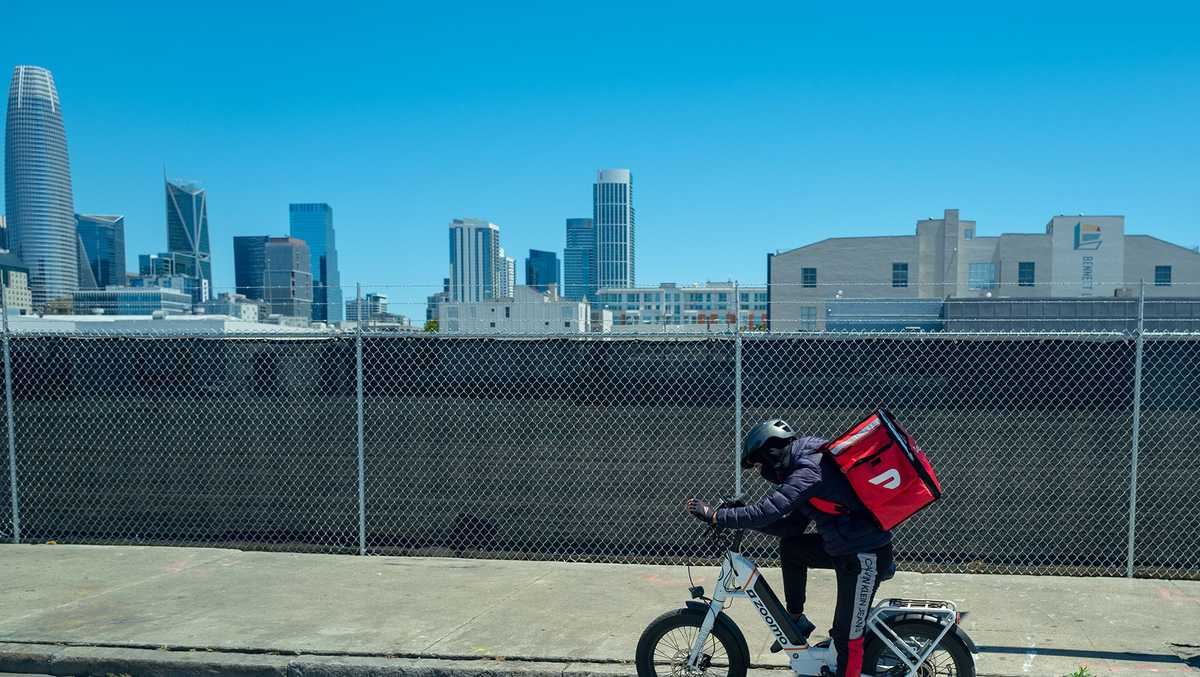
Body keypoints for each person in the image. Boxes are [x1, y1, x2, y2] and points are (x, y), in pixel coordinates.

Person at [685, 419, 895, 677]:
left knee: (846, 636)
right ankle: (796, 620)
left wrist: (717, 516)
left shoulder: (809, 468)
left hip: (865, 556)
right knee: (793, 548)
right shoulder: (802, 461)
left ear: (770, 451)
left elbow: (767, 511)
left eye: (760, 464)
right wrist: (741, 515)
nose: (761, 472)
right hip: (845, 547)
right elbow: (791, 527)